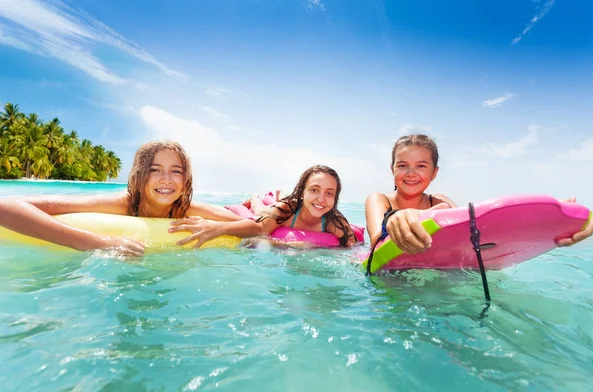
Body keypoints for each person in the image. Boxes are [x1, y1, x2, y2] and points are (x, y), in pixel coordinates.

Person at [0, 140, 244, 256]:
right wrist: (94, 242)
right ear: (139, 175)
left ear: (186, 180)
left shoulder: (185, 209)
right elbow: (5, 206)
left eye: (176, 172)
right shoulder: (122, 203)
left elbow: (249, 225)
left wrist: (216, 227)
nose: (166, 179)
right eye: (154, 169)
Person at [365, 133, 593, 254]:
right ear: (392, 169)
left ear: (434, 173)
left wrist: (550, 221)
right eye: (402, 165)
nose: (411, 173)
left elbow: (470, 231)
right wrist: (397, 218)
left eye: (421, 166)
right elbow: (377, 240)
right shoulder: (380, 199)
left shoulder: (441, 202)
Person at [168, 165, 358, 247]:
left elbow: (353, 246)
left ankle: (275, 195)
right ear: (302, 192)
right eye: (314, 190)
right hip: (275, 211)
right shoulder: (288, 209)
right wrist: (217, 228)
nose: (321, 199)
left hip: (282, 211)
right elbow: (259, 228)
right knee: (258, 211)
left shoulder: (335, 222)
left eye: (329, 193)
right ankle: (256, 198)